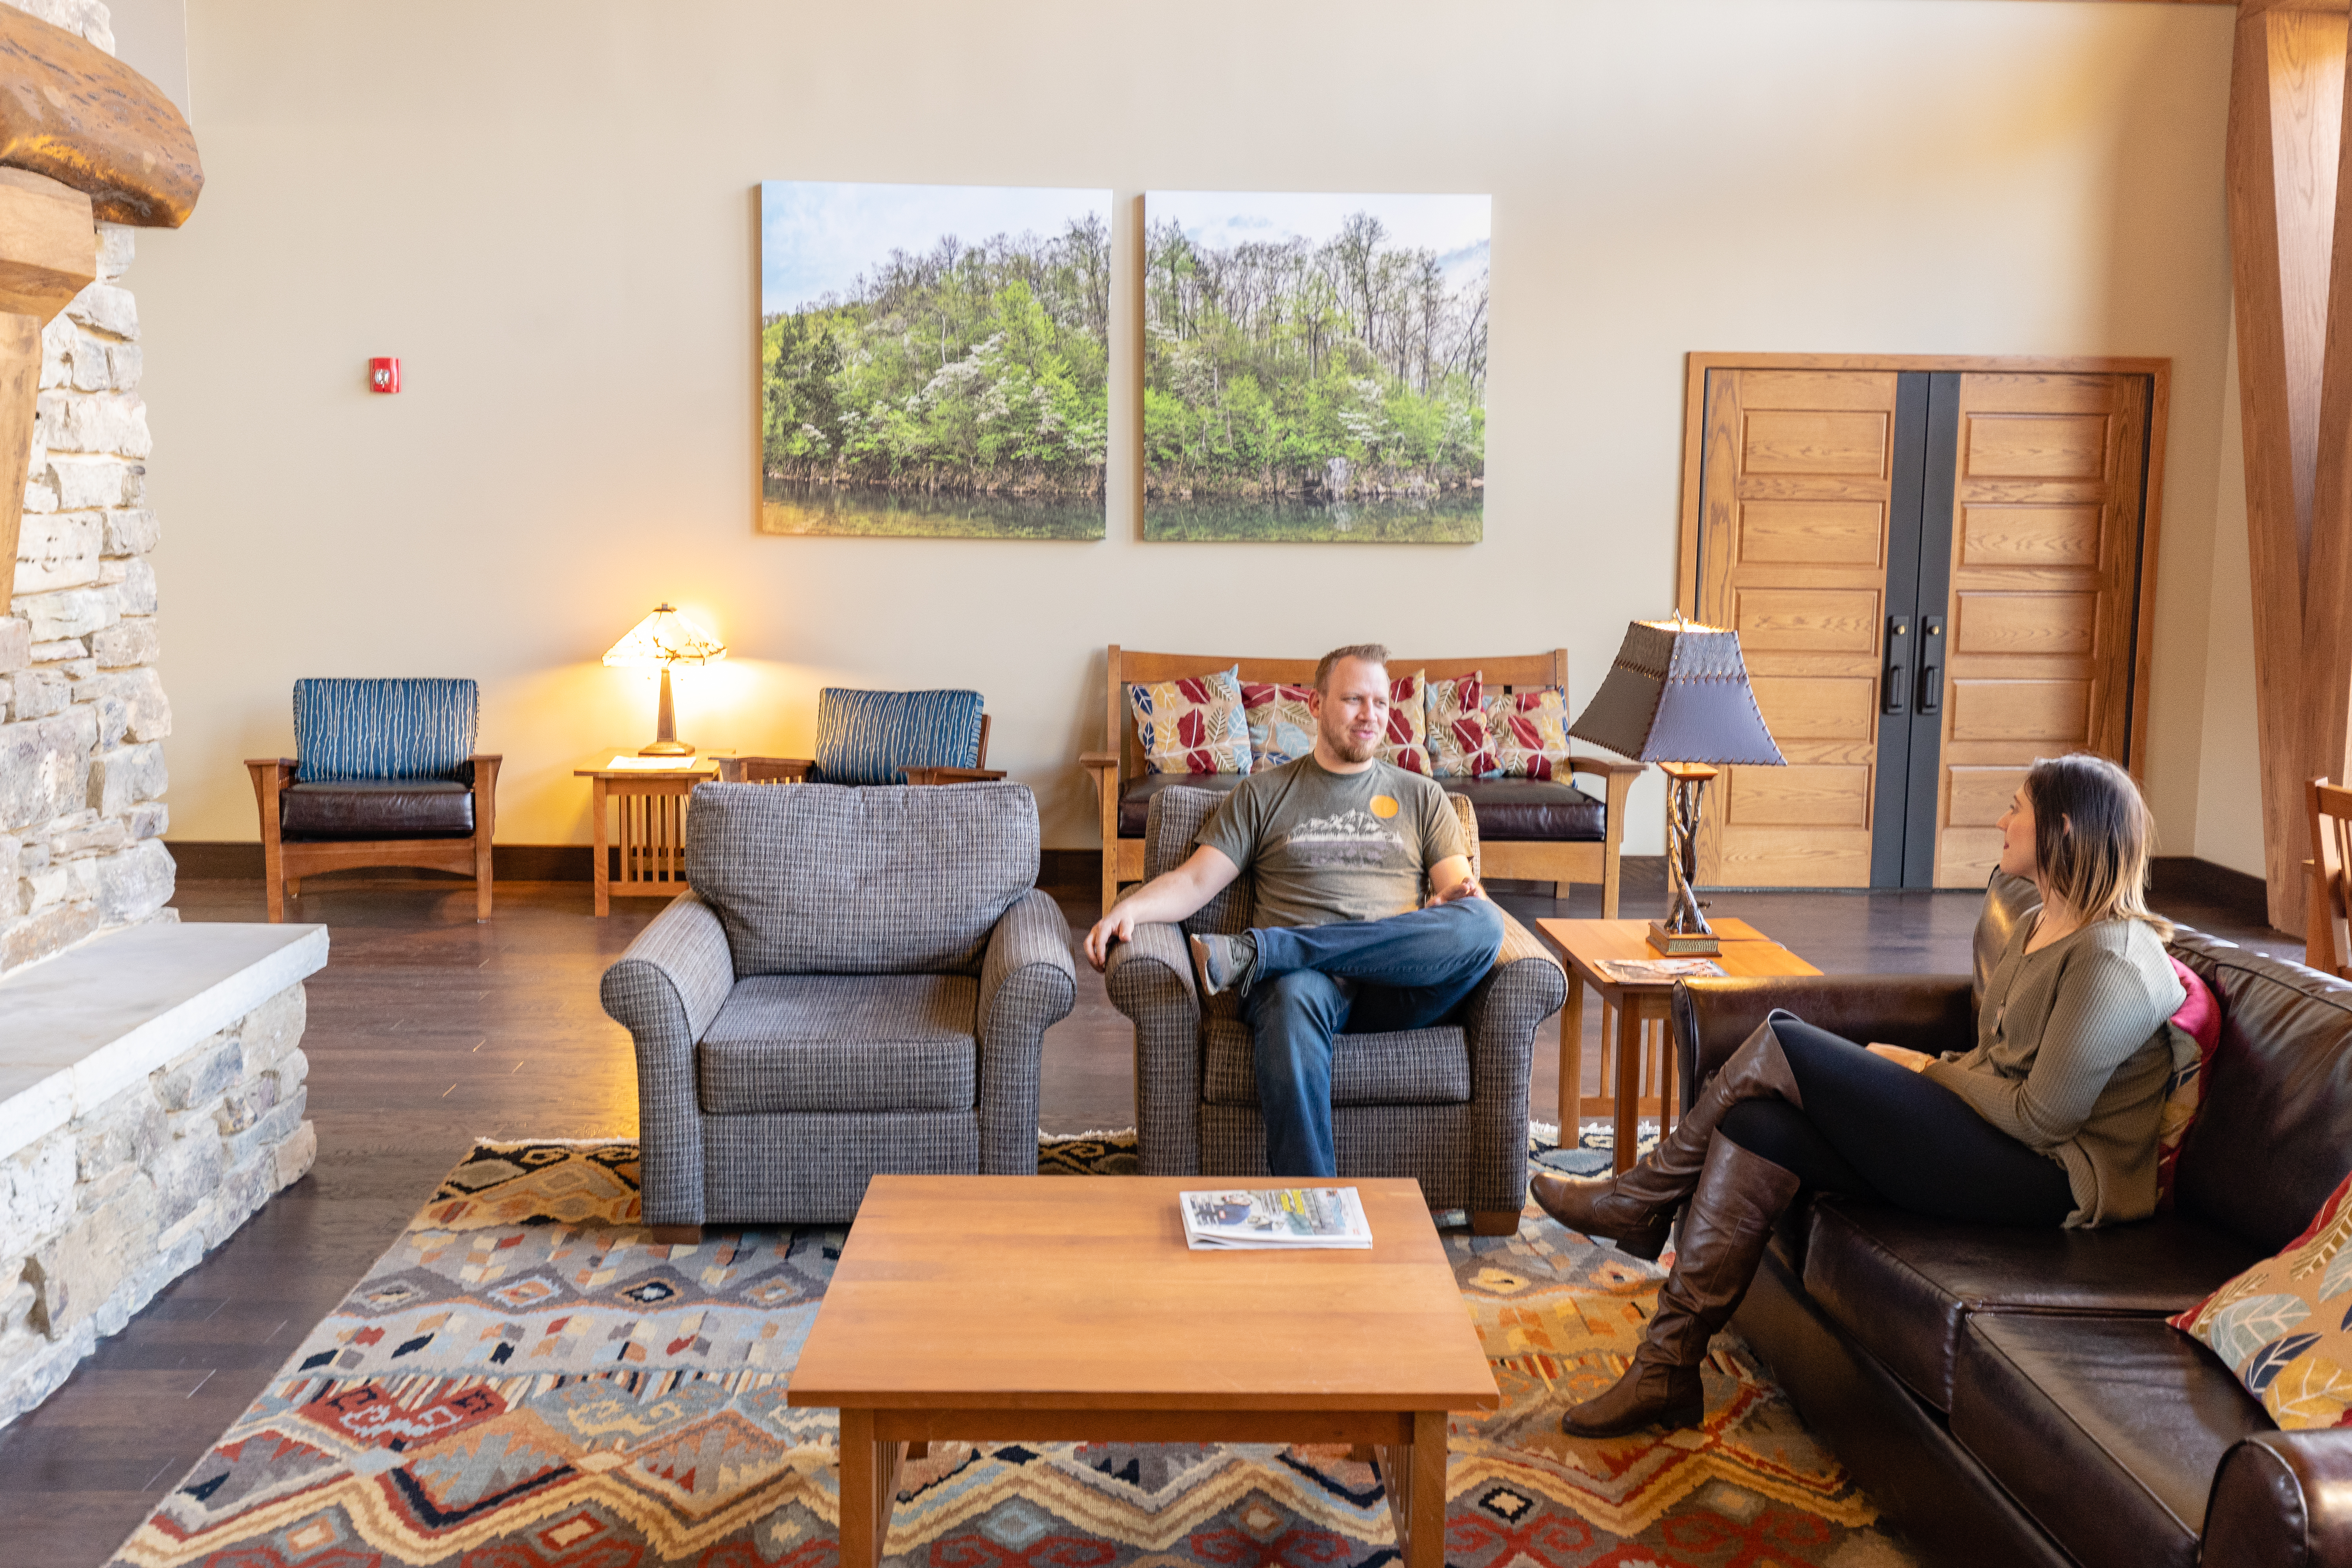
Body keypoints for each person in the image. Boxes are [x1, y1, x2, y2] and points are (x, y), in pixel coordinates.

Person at [1530, 752, 2186, 1438]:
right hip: (1991, 1141)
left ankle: (1640, 1198)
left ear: (2064, 829)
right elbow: (1994, 1061)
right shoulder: (2039, 923)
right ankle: (1665, 1369)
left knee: (1783, 1038)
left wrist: (1926, 1071)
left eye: (2016, 808)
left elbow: (2042, 1118)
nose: (2002, 821)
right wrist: (1937, 1071)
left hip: (2051, 1180)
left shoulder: (2114, 959)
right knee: (1758, 1125)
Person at [1082, 644, 1506, 1177]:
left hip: (1396, 984)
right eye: (1353, 700)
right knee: (1289, 995)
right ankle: (1313, 1204)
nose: (1370, 715)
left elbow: (1464, 897)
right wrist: (1130, 908)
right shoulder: (1262, 795)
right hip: (1305, 987)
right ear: (1316, 704)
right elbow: (1194, 881)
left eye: (1380, 702)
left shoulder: (1423, 797)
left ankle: (1264, 950)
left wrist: (1447, 912)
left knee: (1486, 923)